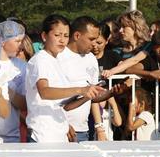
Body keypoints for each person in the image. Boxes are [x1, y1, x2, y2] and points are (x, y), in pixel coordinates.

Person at [26, 15, 105, 143]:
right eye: (57, 35)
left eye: (66, 36)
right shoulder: (41, 60)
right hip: (42, 134)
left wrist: (88, 94)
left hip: (59, 134)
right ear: (44, 36)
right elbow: (44, 92)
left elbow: (65, 106)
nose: (62, 40)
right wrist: (80, 90)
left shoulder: (54, 61)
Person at [58, 16, 107, 142]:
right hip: (58, 131)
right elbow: (47, 97)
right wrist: (63, 124)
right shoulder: (57, 57)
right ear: (77, 36)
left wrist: (99, 127)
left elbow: (92, 97)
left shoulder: (91, 59)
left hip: (83, 131)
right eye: (91, 39)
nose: (94, 44)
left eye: (96, 39)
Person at [0, 20, 28, 143]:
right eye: (17, 41)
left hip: (11, 135)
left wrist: (7, 91)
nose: (21, 46)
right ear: (2, 41)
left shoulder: (22, 67)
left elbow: (25, 104)